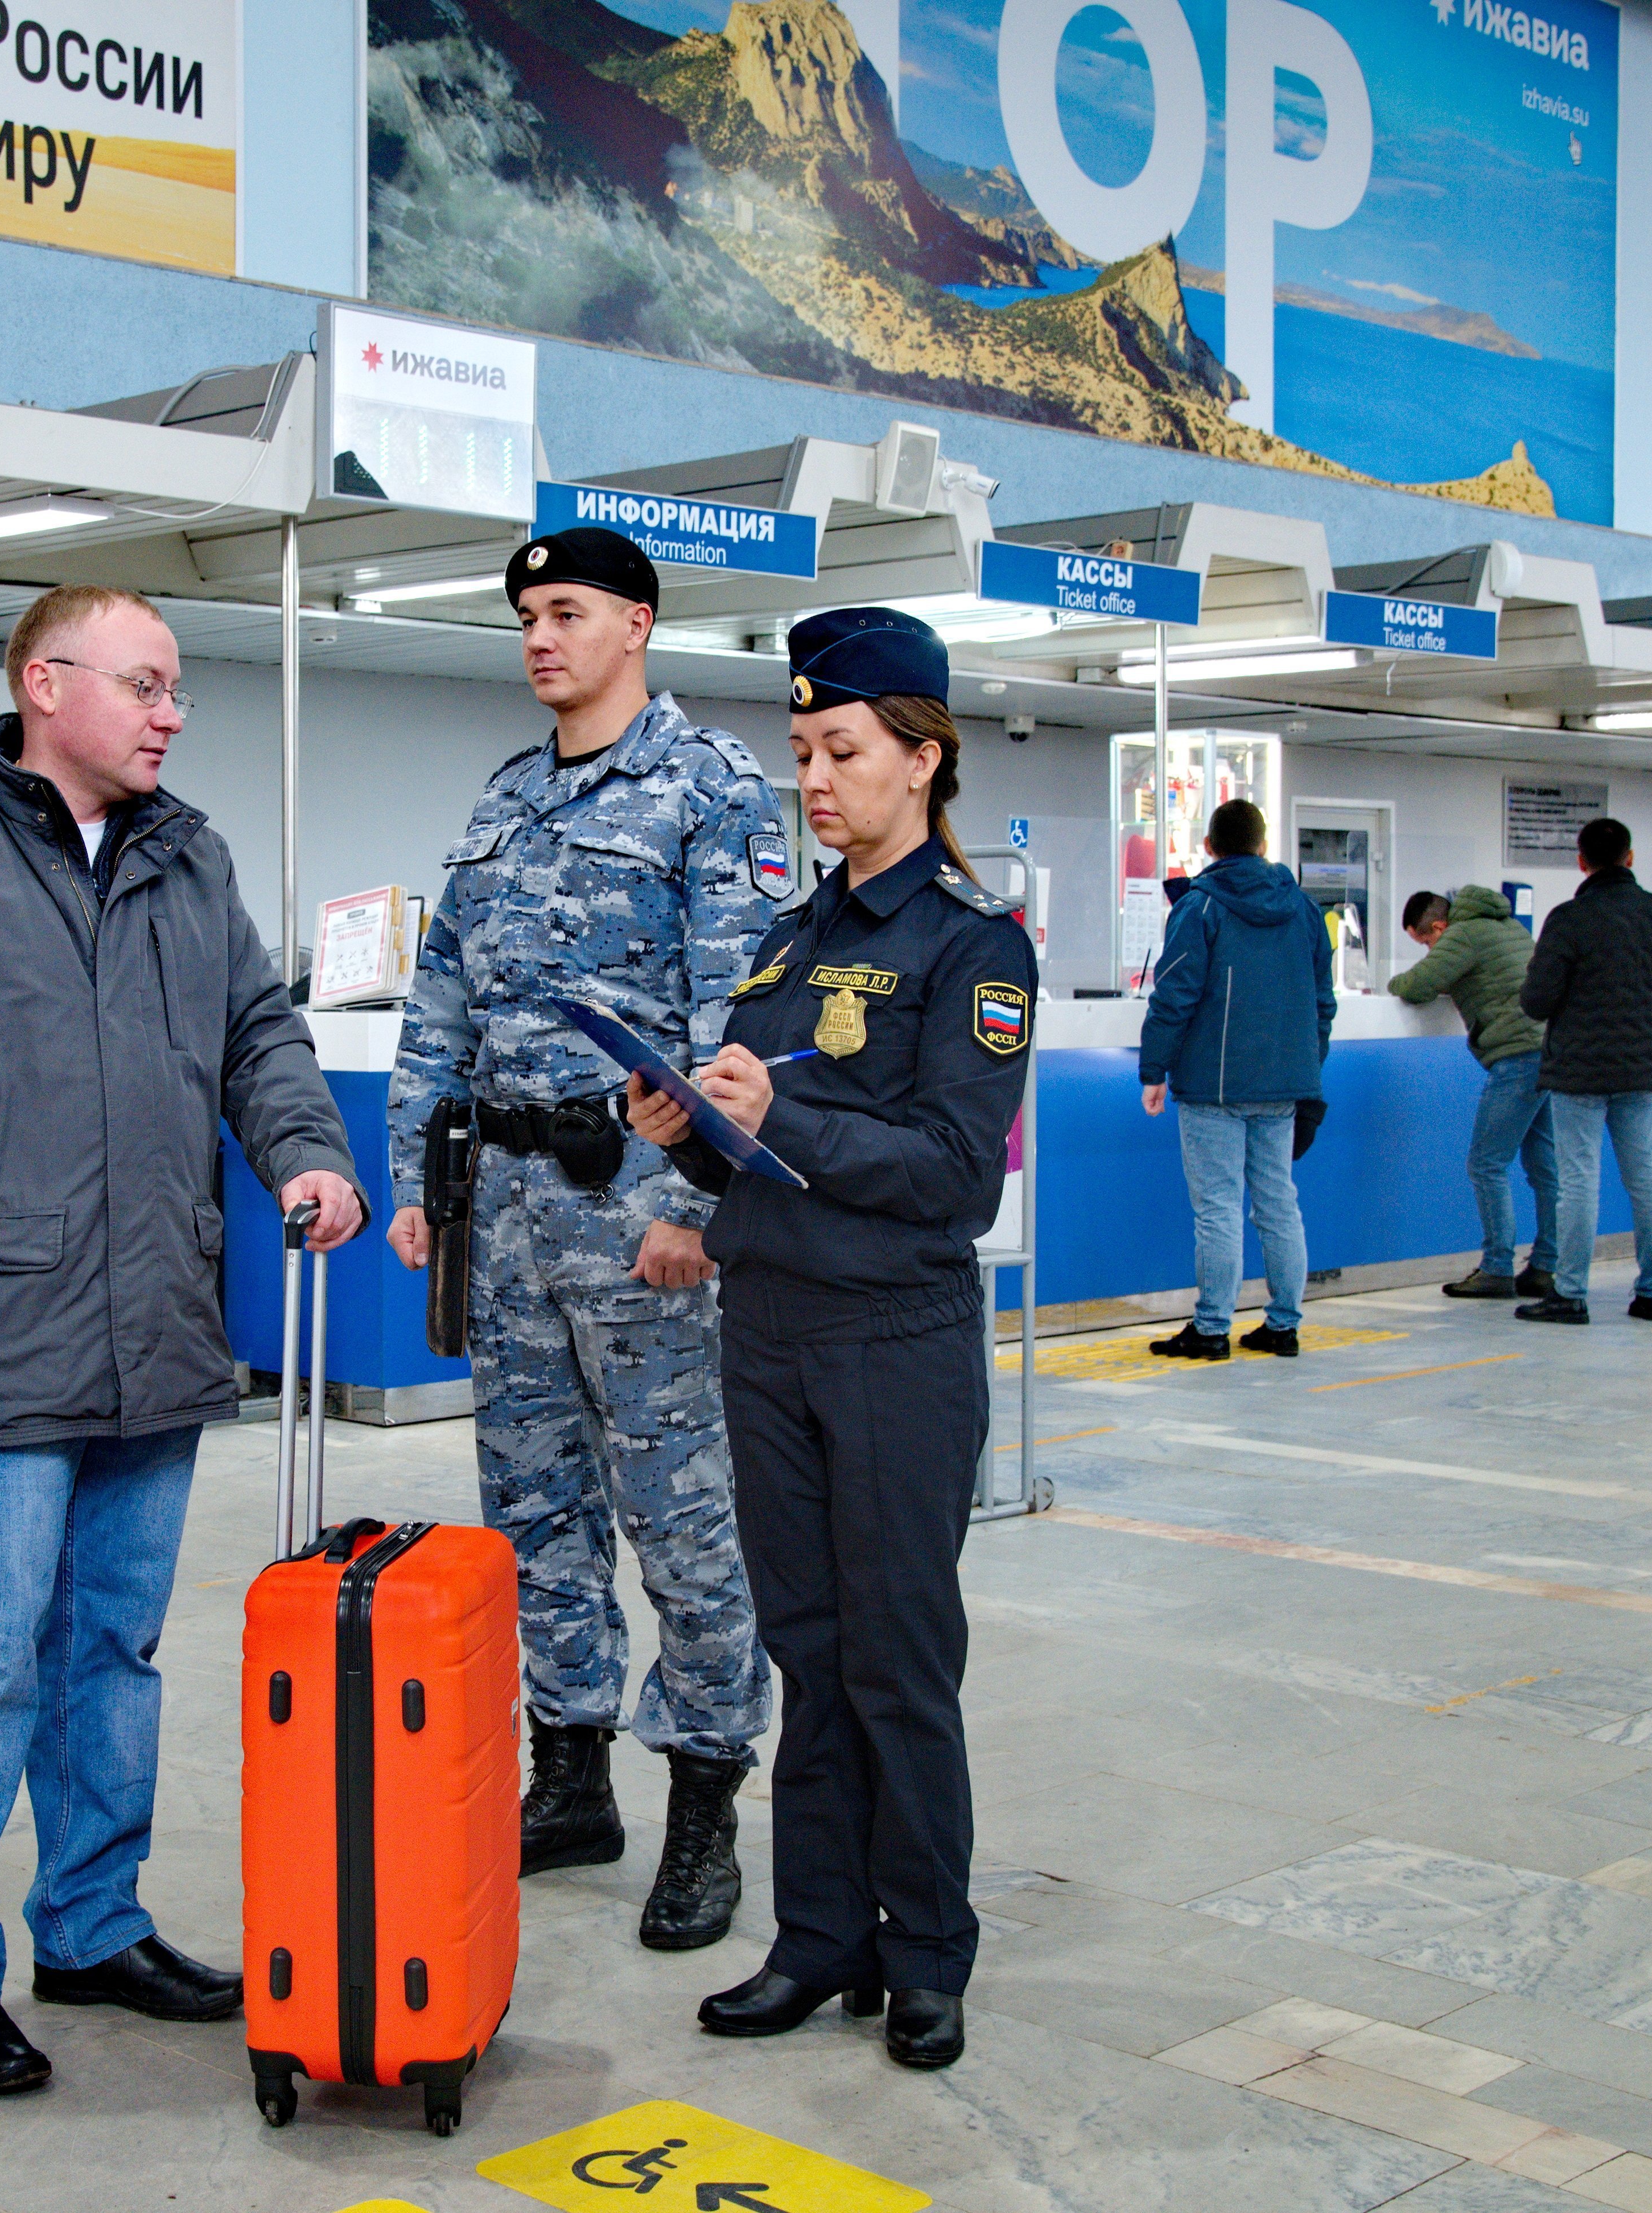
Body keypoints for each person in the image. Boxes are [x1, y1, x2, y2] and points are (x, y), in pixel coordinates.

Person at [0, 583, 366, 2099]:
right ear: (47, 684)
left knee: (110, 1653)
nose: (173, 713)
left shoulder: (192, 858)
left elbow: (260, 1032)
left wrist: (303, 1148)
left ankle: (94, 1925)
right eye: (147, 684)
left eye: (178, 690)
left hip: (156, 1327)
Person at [624, 607, 1035, 2072]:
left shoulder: (970, 950)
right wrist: (686, 1133)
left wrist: (776, 1112)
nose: (813, 777)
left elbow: (948, 1170)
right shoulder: (787, 938)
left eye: (841, 750)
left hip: (894, 1340)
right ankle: (819, 1937)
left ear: (919, 761)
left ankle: (924, 1950)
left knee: (896, 1659)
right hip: (773, 1331)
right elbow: (754, 1156)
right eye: (800, 750)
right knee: (803, 1647)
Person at [384, 525, 780, 1952]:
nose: (539, 637)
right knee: (530, 1504)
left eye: (565, 612)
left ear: (638, 624)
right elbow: (440, 999)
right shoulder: (500, 802)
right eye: (525, 617)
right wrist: (419, 1175)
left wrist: (692, 1207)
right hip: (504, 1214)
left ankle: (703, 1800)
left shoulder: (713, 792)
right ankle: (568, 1775)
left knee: (680, 1515)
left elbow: (744, 1025)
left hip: (636, 1213)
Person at [1135, 800, 1335, 1359]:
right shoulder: (1302, 908)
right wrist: (1306, 1065)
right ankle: (1283, 1324)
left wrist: (1153, 1069)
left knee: (1218, 1208)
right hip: (1285, 1085)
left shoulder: (1199, 907)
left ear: (1209, 847)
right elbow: (1323, 1000)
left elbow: (1174, 994)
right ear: (1263, 844)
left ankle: (1211, 1327)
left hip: (1213, 1087)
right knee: (1276, 1202)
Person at [1516, 815, 1652, 1323]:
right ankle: (1651, 1292)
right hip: (1641, 1068)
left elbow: (1537, 1001)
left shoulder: (1569, 919)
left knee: (1578, 1181)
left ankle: (1569, 1294)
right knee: (1644, 1177)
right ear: (1629, 859)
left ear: (1581, 862)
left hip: (1580, 1073)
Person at [1390, 886, 1559, 1299]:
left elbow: (1414, 986)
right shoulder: (1508, 927)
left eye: (1426, 942)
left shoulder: (1463, 936)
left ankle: (1497, 1268)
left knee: (1486, 1164)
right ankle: (1546, 1266)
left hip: (1516, 1056)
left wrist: (1396, 979)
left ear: (1439, 926)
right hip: (1550, 1049)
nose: (1430, 950)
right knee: (1543, 1167)